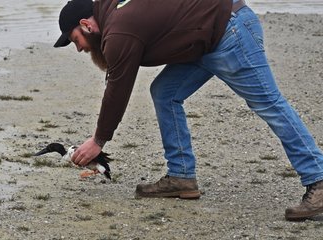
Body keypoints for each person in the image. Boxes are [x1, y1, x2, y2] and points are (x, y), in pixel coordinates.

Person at [54, 0, 323, 221]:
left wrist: (98, 140)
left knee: (270, 105)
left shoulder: (119, 30)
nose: (78, 49)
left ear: (86, 24)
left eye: (75, 40)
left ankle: (319, 180)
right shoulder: (114, 10)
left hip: (230, 32)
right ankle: (181, 176)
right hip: (203, 39)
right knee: (165, 92)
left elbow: (118, 88)